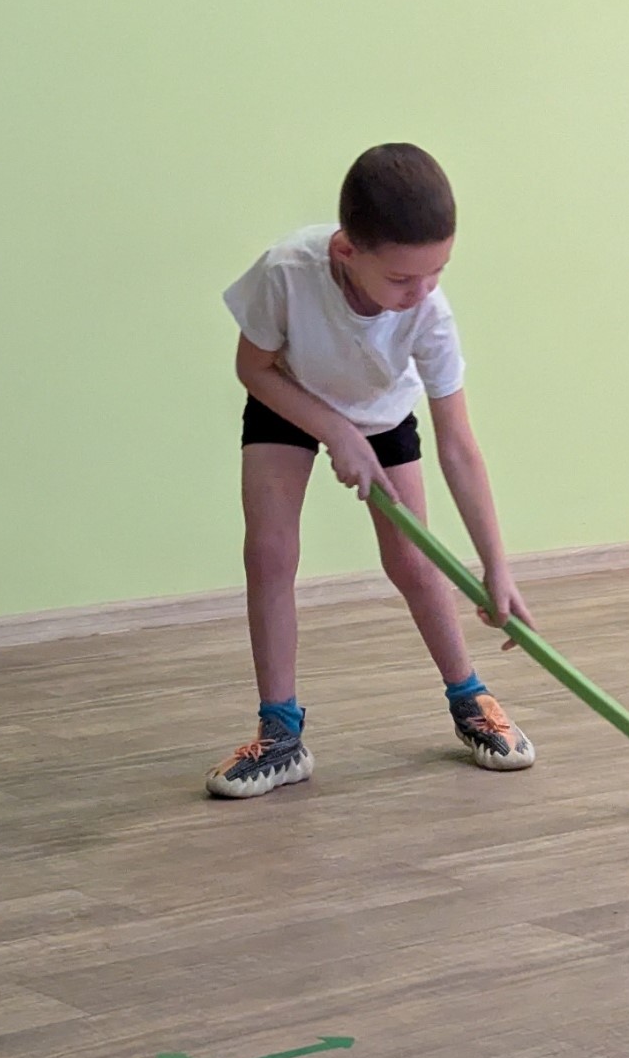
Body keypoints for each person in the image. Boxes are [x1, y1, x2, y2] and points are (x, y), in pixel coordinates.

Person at [206, 143, 536, 798]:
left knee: (414, 561)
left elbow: (458, 447)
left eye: (437, 271)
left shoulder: (429, 315)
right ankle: (280, 735)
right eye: (403, 278)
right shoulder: (287, 271)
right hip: (287, 394)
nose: (422, 292)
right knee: (269, 553)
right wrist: (334, 431)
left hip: (382, 414)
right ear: (345, 251)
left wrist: (495, 568)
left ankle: (470, 697)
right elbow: (252, 368)